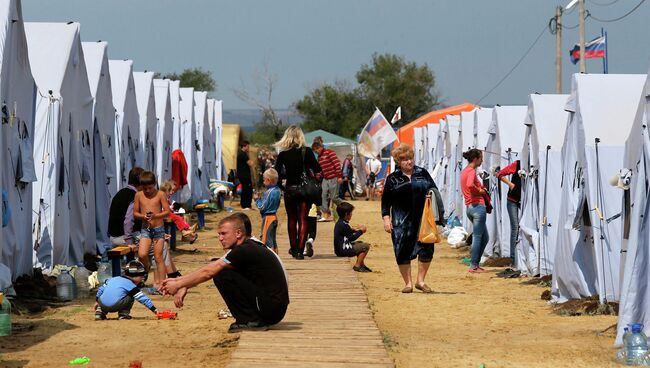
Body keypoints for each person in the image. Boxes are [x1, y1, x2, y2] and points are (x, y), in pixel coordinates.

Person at [161, 214, 289, 333]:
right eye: (219, 234)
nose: (220, 238)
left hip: (272, 310)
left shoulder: (244, 250)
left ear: (238, 233)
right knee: (220, 268)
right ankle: (251, 318)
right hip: (273, 307)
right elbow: (211, 267)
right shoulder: (249, 245)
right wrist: (183, 284)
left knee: (222, 273)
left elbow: (209, 272)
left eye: (224, 234)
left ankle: (251, 320)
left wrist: (178, 284)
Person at [381, 144, 438, 293]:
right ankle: (408, 283)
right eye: (404, 159)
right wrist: (386, 219)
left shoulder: (422, 173)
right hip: (401, 222)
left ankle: (421, 281)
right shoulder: (392, 178)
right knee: (402, 250)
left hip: (422, 220)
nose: (409, 162)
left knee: (426, 248)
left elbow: (434, 190)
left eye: (410, 158)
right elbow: (385, 201)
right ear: (398, 162)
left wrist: (430, 196)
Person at [274, 125, 322, 259]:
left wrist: (283, 187)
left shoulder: (283, 154)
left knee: (292, 219)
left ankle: (294, 249)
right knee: (303, 219)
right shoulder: (306, 151)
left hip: (290, 189)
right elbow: (317, 168)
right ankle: (301, 251)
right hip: (304, 190)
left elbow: (276, 173)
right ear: (301, 136)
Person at [133, 171, 171, 290]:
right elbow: (135, 213)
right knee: (142, 254)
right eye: (145, 188)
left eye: (150, 188)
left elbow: (167, 211)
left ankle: (161, 283)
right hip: (146, 229)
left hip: (158, 229)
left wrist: (155, 215)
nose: (148, 191)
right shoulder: (139, 195)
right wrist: (143, 216)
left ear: (154, 184)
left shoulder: (160, 194)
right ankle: (146, 267)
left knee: (158, 257)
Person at [460, 148, 490, 274]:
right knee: (478, 237)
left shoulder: (465, 171)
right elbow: (470, 185)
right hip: (477, 207)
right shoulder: (471, 171)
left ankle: (475, 263)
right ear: (476, 159)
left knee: (485, 238)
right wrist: (481, 191)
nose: (482, 160)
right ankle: (473, 265)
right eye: (481, 158)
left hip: (470, 208)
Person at [108, 167, 144, 249]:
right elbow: (128, 221)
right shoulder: (134, 196)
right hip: (124, 237)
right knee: (157, 245)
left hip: (113, 236)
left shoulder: (119, 193)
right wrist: (129, 241)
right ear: (141, 182)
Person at [334, 202, 372, 272]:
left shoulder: (341, 222)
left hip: (339, 249)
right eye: (351, 213)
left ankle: (361, 265)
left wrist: (354, 230)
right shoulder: (343, 225)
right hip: (344, 250)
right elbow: (351, 238)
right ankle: (357, 266)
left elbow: (347, 232)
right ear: (346, 214)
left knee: (360, 243)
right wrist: (361, 231)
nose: (351, 215)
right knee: (365, 246)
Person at [497, 160, 521, 265]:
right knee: (515, 228)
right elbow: (500, 174)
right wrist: (511, 185)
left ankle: (520, 257)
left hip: (524, 201)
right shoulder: (517, 164)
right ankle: (513, 258)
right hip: (512, 201)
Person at [311, 141, 341, 222]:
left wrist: (339, 176)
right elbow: (321, 169)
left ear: (320, 147)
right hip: (325, 179)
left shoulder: (330, 153)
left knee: (334, 197)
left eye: (316, 150)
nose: (316, 152)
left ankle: (344, 206)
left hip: (333, 177)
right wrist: (316, 176)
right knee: (323, 196)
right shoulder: (319, 157)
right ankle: (326, 213)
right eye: (314, 151)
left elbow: (337, 164)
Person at [254, 168, 282, 253]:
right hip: (274, 216)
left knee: (266, 240)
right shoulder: (278, 190)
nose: (263, 182)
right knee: (273, 240)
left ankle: (271, 258)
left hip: (268, 218)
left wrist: (257, 200)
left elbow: (262, 206)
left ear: (268, 180)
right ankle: (276, 257)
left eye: (264, 180)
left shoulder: (269, 192)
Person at [237, 140, 254, 210]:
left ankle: (246, 205)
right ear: (244, 146)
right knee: (247, 190)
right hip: (244, 175)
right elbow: (250, 163)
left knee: (246, 189)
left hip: (243, 175)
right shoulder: (243, 154)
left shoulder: (241, 154)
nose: (248, 148)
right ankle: (246, 205)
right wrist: (252, 160)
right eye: (248, 146)